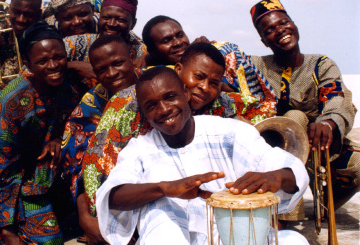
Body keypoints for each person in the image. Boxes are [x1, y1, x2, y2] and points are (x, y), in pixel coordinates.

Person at [95, 67, 309, 244]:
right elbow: (112, 196)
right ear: (143, 112)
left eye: (170, 97)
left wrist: (277, 176)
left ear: (186, 94)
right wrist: (164, 188)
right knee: (159, 211)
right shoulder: (140, 149)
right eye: (151, 106)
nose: (163, 110)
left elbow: (288, 169)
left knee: (294, 241)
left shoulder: (230, 132)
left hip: (237, 238)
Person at [82, 43, 274, 215]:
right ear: (179, 69)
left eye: (214, 83)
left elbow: (268, 114)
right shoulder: (128, 103)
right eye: (198, 77)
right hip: (145, 205)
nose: (205, 87)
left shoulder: (220, 103)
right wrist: (94, 212)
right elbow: (97, 164)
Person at [0, 21, 85, 244]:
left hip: (39, 172)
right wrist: (6, 228)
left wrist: (60, 138)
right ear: (28, 65)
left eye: (58, 57)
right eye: (42, 61)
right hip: (3, 178)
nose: (52, 66)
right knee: (49, 241)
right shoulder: (15, 101)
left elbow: (76, 122)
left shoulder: (70, 87)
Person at [249, 0, 359, 216]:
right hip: (274, 155)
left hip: (320, 147)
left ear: (294, 25)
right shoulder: (255, 66)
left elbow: (337, 98)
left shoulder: (321, 64)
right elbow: (225, 59)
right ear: (263, 41)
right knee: (295, 117)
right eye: (269, 30)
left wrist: (328, 123)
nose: (280, 30)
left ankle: (326, 204)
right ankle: (288, 215)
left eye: (283, 23)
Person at [60, 35, 140, 244]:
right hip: (114, 197)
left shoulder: (158, 84)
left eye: (118, 63)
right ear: (95, 72)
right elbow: (76, 165)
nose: (112, 73)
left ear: (132, 57)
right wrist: (86, 218)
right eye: (102, 69)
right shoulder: (91, 104)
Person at [134, 15, 276, 109]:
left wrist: (225, 85)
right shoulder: (147, 74)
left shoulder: (218, 53)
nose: (178, 43)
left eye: (180, 35)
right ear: (151, 50)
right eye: (167, 40)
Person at [63, 0, 147, 63]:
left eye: (120, 20)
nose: (111, 24)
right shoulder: (76, 43)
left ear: (133, 24)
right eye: (106, 18)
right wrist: (74, 65)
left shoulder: (143, 53)